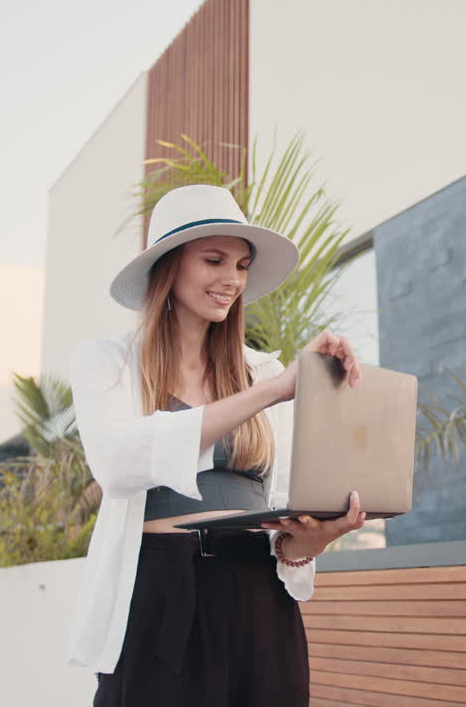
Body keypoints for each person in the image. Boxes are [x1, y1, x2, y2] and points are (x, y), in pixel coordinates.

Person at [66, 184, 366, 706]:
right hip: (161, 593)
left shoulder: (265, 371)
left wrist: (312, 541)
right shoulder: (107, 362)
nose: (232, 280)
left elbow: (286, 528)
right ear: (168, 266)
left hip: (259, 595)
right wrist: (270, 393)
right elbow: (116, 465)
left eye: (243, 266)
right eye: (213, 259)